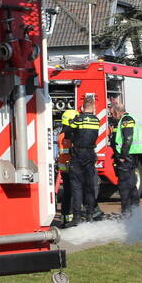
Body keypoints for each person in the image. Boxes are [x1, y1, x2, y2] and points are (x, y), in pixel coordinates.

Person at [62, 96, 101, 226]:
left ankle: (76, 218)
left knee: (76, 186)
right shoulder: (96, 121)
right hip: (90, 155)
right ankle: (89, 215)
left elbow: (68, 131)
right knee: (89, 186)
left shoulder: (78, 120)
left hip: (78, 155)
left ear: (83, 108)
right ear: (94, 108)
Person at [109, 98, 142, 215]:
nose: (112, 116)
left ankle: (126, 213)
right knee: (131, 184)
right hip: (133, 155)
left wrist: (122, 156)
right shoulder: (131, 119)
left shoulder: (126, 120)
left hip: (127, 157)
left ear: (117, 112)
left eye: (112, 113)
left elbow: (128, 138)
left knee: (124, 186)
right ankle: (134, 211)